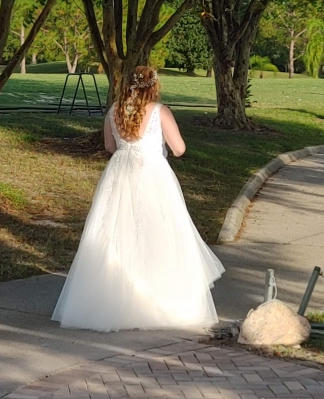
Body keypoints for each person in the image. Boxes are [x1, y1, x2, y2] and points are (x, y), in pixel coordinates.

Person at [52, 66, 225, 332]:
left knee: (116, 233)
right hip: (152, 174)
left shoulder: (114, 110)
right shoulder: (159, 111)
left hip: (120, 173)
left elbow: (110, 147)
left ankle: (112, 303)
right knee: (158, 234)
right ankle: (157, 301)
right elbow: (179, 149)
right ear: (153, 86)